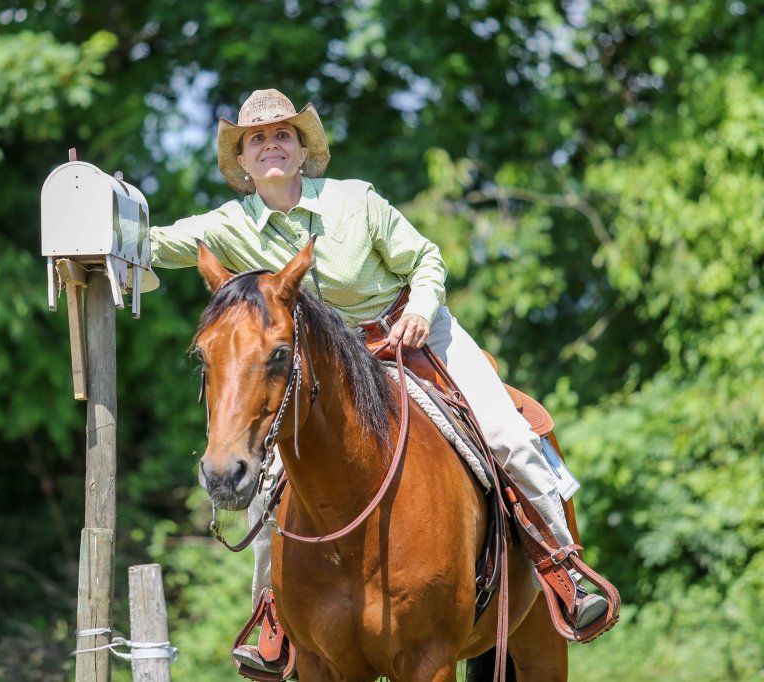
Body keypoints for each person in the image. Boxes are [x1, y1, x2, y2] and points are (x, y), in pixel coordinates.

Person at [149, 89, 608, 672]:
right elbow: (156, 244)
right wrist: (96, 236)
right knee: (270, 480)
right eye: (256, 139)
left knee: (507, 433)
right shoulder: (227, 225)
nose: (270, 146)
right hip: (326, 364)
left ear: (301, 148)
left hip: (412, 332)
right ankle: (272, 613)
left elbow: (426, 258)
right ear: (241, 160)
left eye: (282, 135)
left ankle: (562, 569)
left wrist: (420, 306)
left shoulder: (356, 202)